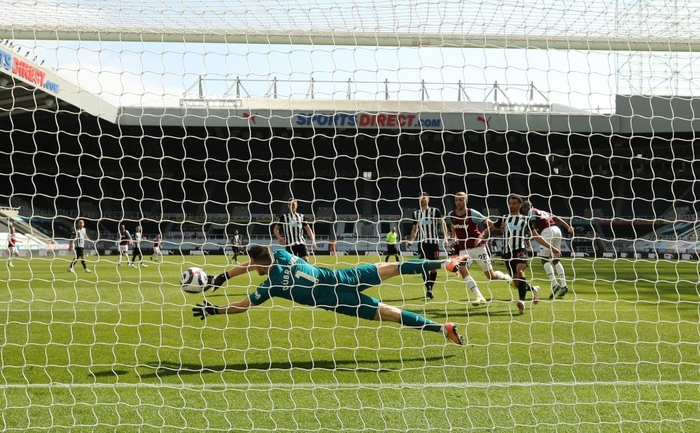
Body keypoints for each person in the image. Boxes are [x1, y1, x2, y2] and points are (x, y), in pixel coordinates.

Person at [192, 245, 466, 346]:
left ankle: (443, 329)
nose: (250, 269)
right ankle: (446, 263)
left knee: (388, 314)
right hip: (343, 277)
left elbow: (242, 306)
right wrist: (224, 276)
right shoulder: (283, 255)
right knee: (393, 267)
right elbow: (255, 260)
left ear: (260, 265)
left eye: (252, 266)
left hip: (338, 301)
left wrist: (214, 309)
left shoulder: (271, 286)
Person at [482, 194, 561, 315]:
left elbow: (536, 236)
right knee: (516, 282)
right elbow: (491, 228)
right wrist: (481, 236)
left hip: (520, 250)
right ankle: (533, 289)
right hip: (507, 253)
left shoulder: (525, 220)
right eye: (510, 203)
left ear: (520, 205)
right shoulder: (504, 218)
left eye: (514, 203)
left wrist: (552, 248)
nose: (511, 205)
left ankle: (522, 301)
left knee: (520, 272)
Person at [446, 191, 512, 306]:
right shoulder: (451, 214)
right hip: (463, 249)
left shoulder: (472, 213)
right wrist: (454, 238)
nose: (458, 202)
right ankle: (479, 296)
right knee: (462, 269)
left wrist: (497, 227)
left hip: (478, 247)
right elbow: (453, 225)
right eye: (456, 200)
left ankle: (506, 277)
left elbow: (489, 223)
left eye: (461, 200)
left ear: (466, 201)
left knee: (491, 276)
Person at [521, 199, 573, 299]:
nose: (523, 210)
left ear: (527, 207)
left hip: (547, 231)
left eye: (524, 207)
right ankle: (564, 285)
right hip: (557, 230)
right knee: (556, 259)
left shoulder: (530, 212)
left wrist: (528, 238)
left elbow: (533, 225)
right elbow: (556, 218)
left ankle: (555, 284)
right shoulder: (543, 211)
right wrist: (567, 227)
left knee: (544, 259)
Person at [406, 192, 450, 299]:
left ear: (428, 199)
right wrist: (412, 240)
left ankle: (430, 287)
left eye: (423, 198)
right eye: (420, 198)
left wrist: (445, 237)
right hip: (422, 243)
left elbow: (442, 223)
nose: (421, 200)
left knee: (434, 268)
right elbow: (414, 229)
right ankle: (429, 289)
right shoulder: (416, 213)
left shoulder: (435, 211)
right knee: (423, 266)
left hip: (433, 243)